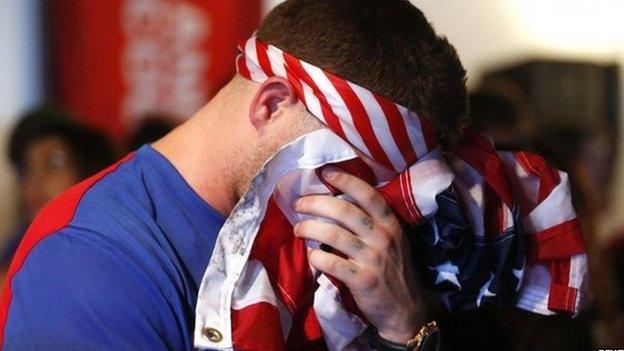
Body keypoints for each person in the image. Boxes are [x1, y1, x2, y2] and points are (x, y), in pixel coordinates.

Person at [0, 1, 584, 350]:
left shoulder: (324, 244)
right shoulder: (92, 262)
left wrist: (405, 325)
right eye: (353, 167)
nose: (377, 205)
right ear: (272, 104)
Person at [0, 107, 115, 268]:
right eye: (27, 168)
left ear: (89, 170)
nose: (35, 180)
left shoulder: (112, 244)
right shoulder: (18, 246)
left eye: (55, 163)